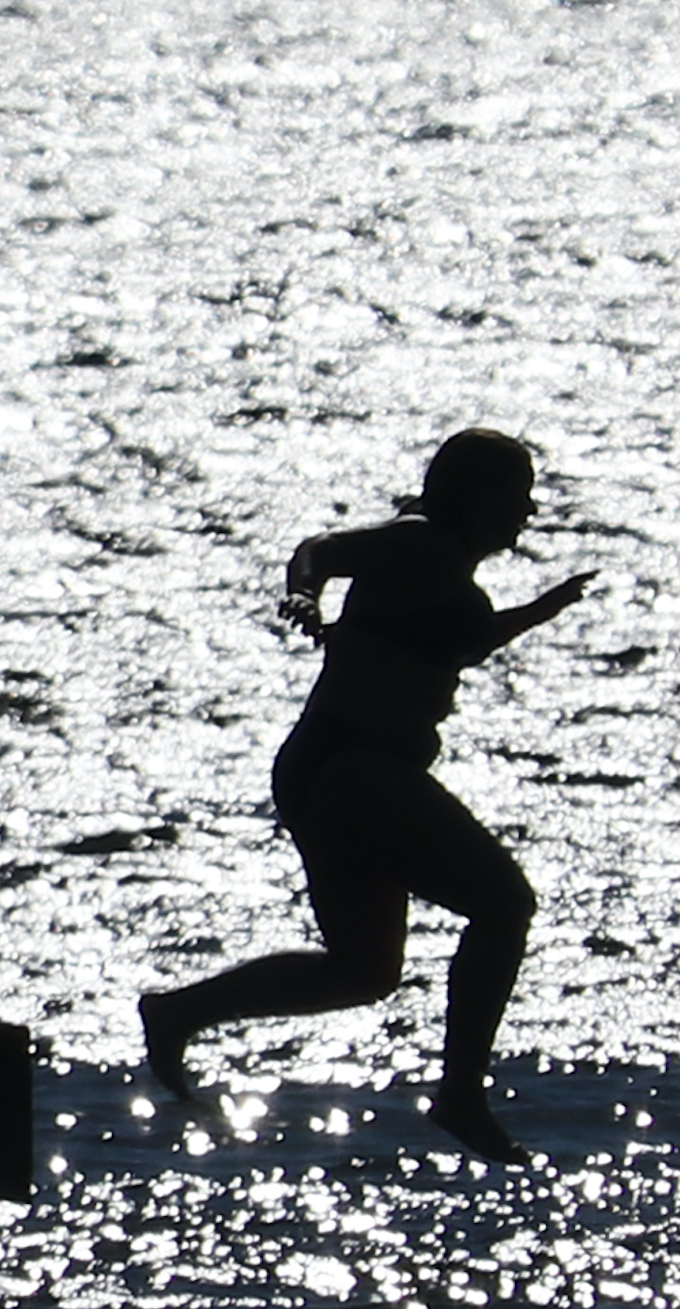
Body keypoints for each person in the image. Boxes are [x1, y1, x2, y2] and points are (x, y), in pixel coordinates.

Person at [140, 430, 594, 1158]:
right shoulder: (421, 543)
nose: (527, 511)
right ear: (472, 495)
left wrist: (545, 608)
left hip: (332, 771)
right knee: (504, 904)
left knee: (362, 972)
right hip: (356, 769)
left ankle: (180, 1012)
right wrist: (302, 595)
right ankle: (460, 1097)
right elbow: (322, 551)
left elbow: (461, 643)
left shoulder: (448, 570)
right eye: (515, 495)